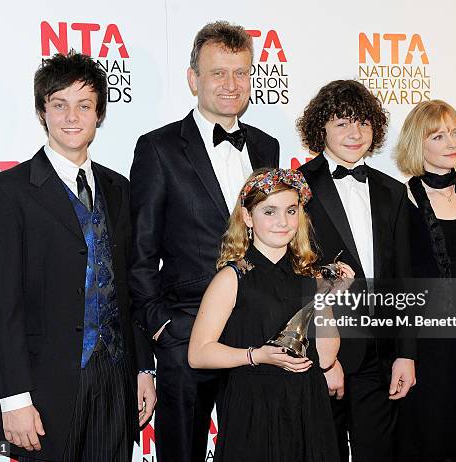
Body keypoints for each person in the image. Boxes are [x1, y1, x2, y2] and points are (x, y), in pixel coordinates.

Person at [0, 51, 155, 461]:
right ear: (43, 112)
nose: (71, 116)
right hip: (43, 388)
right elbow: (0, 302)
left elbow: (130, 287)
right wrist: (13, 397)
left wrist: (143, 369)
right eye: (59, 105)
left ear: (99, 115)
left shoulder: (118, 188)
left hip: (115, 379)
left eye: (84, 105)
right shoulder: (9, 192)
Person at [129, 21, 279, 462]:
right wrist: (162, 328)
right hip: (186, 334)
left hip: (256, 335)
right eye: (218, 73)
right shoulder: (158, 148)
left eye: (241, 72)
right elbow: (139, 254)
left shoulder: (267, 146)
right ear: (193, 79)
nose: (232, 84)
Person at [188, 168, 351, 462]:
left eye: (291, 210)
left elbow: (325, 358)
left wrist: (327, 299)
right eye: (269, 211)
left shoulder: (312, 278)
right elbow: (198, 353)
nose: (282, 222)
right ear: (248, 217)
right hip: (253, 406)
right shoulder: (232, 277)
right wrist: (256, 355)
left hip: (307, 406)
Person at [296, 79, 416, 462]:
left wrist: (406, 354)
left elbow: (403, 279)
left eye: (363, 123)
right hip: (320, 355)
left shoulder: (392, 192)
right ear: (321, 128)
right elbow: (294, 274)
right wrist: (323, 360)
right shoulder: (297, 187)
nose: (354, 133)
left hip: (379, 359)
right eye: (342, 123)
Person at [394, 100, 456, 462]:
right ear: (418, 144)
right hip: (421, 337)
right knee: (424, 434)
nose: (451, 142)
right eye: (438, 135)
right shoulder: (400, 201)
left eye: (455, 133)